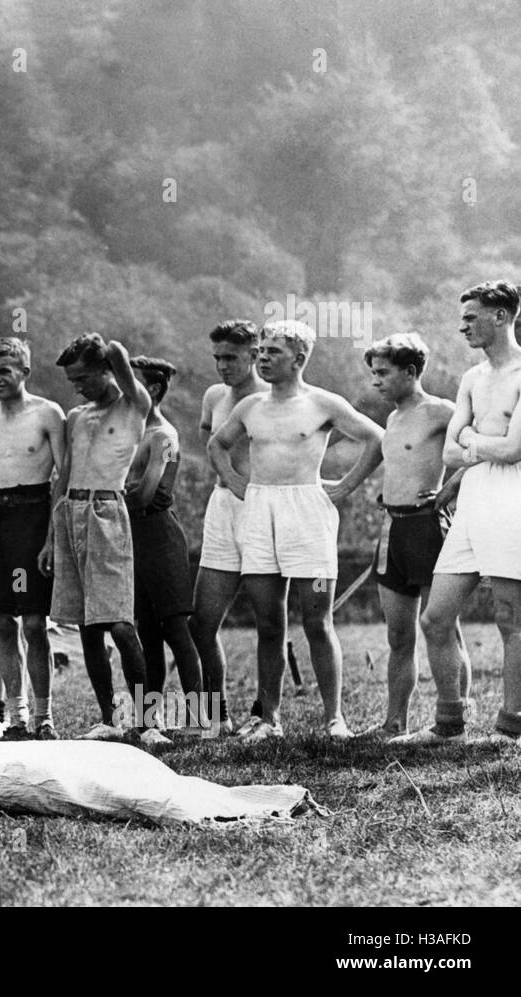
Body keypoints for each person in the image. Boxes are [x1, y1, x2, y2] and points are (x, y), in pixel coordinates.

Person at [209, 320, 384, 740]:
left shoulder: (323, 402)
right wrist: (234, 481)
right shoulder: (249, 407)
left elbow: (376, 438)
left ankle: (334, 719)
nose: (262, 358)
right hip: (260, 509)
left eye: (272, 352)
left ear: (299, 359)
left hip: (307, 511)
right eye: (261, 351)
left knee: (317, 619)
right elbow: (217, 444)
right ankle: (269, 718)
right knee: (268, 622)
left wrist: (345, 486)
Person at [396, 282, 521, 746]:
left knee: (511, 619)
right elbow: (450, 451)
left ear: (502, 317)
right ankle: (448, 725)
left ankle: (511, 728)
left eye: (471, 317)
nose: (462, 325)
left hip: (513, 500)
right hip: (473, 497)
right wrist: (480, 445)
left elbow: (515, 450)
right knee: (435, 616)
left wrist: (473, 441)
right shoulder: (471, 378)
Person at [47, 336, 159, 745]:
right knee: (85, 626)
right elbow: (63, 476)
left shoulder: (134, 405)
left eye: (83, 377)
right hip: (70, 513)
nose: (78, 386)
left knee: (119, 625)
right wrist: (49, 538)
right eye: (72, 380)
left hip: (107, 511)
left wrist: (99, 347)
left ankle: (147, 723)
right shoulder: (76, 416)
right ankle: (109, 718)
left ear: (105, 370)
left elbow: (116, 350)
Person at [361, 334, 470, 739]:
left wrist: (451, 486)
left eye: (384, 372)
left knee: (443, 625)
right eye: (373, 373)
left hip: (428, 526)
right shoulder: (391, 418)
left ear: (410, 371)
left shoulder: (441, 410)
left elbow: (478, 447)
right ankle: (394, 721)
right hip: (393, 529)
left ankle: (455, 718)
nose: (377, 381)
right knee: (397, 634)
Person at [0, 337, 64, 740]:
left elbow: (62, 480)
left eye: (5, 370)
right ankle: (17, 717)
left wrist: (50, 538)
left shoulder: (47, 413)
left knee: (35, 623)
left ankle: (44, 717)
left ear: (24, 371)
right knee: (0, 622)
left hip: (33, 514)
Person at [189, 320, 267, 734]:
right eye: (217, 357)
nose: (222, 366)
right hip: (221, 506)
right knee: (201, 621)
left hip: (261, 508)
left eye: (231, 358)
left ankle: (267, 716)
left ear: (254, 355)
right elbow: (210, 440)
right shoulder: (215, 396)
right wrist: (228, 478)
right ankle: (216, 715)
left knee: (268, 620)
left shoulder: (271, 398)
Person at [124, 356, 206, 732]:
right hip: (132, 539)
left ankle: (197, 717)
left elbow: (146, 495)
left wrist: (110, 494)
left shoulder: (164, 435)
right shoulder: (127, 432)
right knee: (146, 632)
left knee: (175, 628)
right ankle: (146, 718)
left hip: (160, 535)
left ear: (153, 390)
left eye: (134, 383)